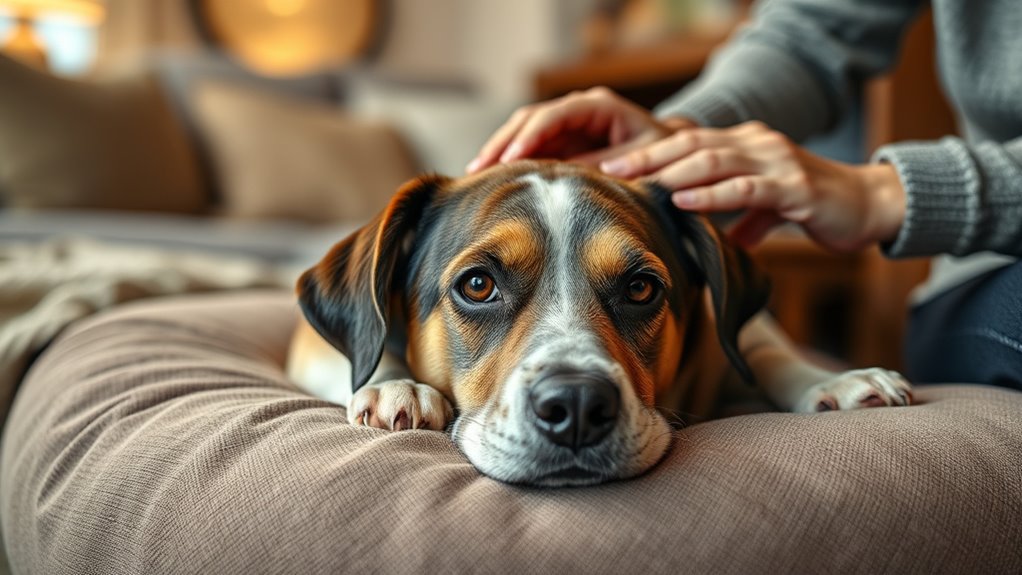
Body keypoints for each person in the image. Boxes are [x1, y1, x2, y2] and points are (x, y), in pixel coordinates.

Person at [467, 0, 1022, 390]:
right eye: (479, 285)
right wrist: (681, 140)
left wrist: (884, 193)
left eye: (636, 288)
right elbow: (808, 34)